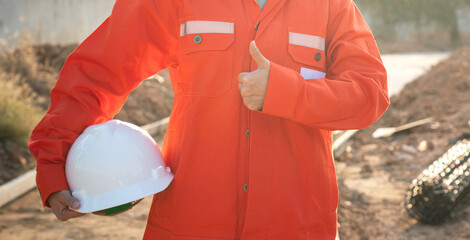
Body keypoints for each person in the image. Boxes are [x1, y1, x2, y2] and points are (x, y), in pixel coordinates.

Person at [28, 0, 389, 239]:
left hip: (295, 226)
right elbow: (100, 71)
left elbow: (369, 93)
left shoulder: (330, 6)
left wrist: (288, 93)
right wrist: (55, 162)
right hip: (192, 223)